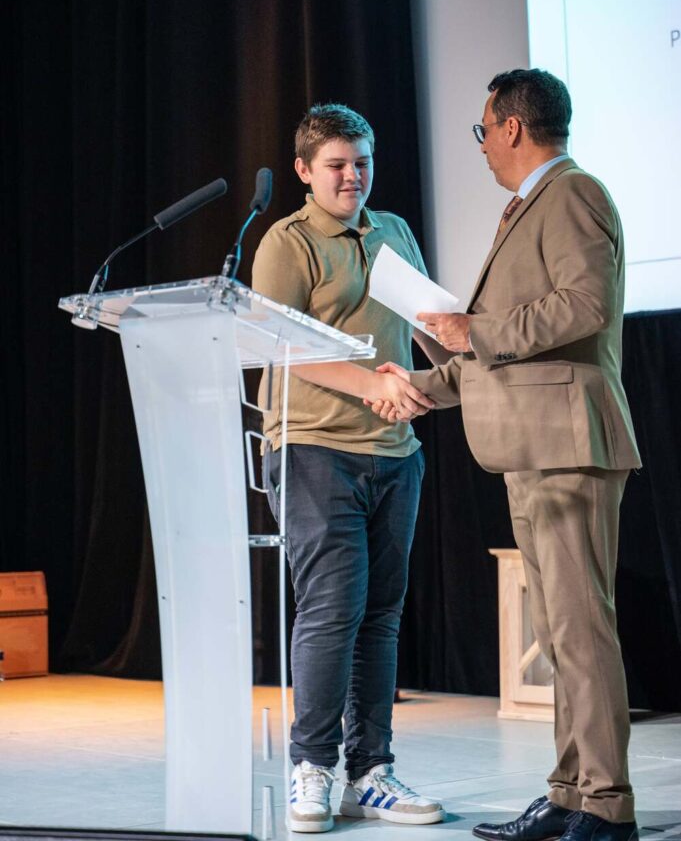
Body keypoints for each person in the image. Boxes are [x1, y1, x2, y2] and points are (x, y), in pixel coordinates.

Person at [372, 70, 641, 841]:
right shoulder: (524, 208)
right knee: (560, 634)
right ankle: (568, 794)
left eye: (483, 128)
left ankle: (606, 805)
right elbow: (497, 348)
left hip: (568, 441)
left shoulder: (573, 194)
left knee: (581, 629)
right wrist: (424, 381)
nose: (483, 143)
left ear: (513, 127)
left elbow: (583, 305)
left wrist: (473, 331)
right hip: (529, 441)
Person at [251, 103, 444, 833]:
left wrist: (463, 373)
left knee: (380, 618)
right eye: (335, 164)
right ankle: (312, 769)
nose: (351, 176)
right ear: (304, 171)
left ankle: (372, 772)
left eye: (361, 161)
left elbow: (427, 324)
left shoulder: (391, 230)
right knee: (332, 611)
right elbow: (279, 342)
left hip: (394, 452)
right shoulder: (287, 240)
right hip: (311, 445)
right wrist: (370, 384)